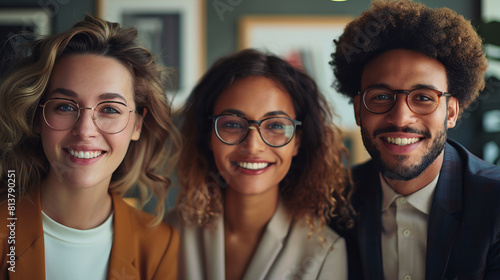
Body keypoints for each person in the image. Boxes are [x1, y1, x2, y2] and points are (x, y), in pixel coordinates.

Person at [329, 1, 500, 279]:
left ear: (452, 112)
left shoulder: (494, 203)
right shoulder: (335, 201)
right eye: (381, 97)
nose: (400, 118)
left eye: (423, 98)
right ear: (358, 110)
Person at [0, 15, 180, 279]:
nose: (84, 130)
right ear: (37, 118)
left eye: (109, 109)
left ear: (137, 125)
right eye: (64, 106)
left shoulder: (159, 244)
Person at [165, 49, 353, 280]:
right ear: (208, 136)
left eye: (275, 126)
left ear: (297, 142)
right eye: (233, 125)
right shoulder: (170, 231)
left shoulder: (324, 252)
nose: (253, 146)